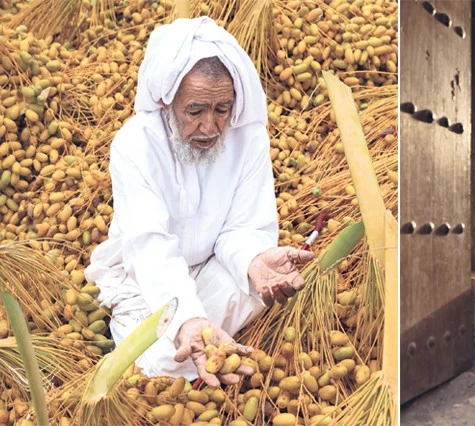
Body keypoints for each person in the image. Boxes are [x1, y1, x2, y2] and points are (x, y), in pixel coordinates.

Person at [84, 17, 314, 387]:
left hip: (214, 264)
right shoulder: (135, 145)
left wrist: (253, 260)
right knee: (159, 358)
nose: (210, 126)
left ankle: (199, 339)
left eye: (222, 109)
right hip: (143, 278)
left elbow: (242, 227)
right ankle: (190, 339)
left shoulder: (249, 139)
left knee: (253, 288)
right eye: (195, 111)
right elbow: (150, 247)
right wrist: (187, 320)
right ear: (167, 101)